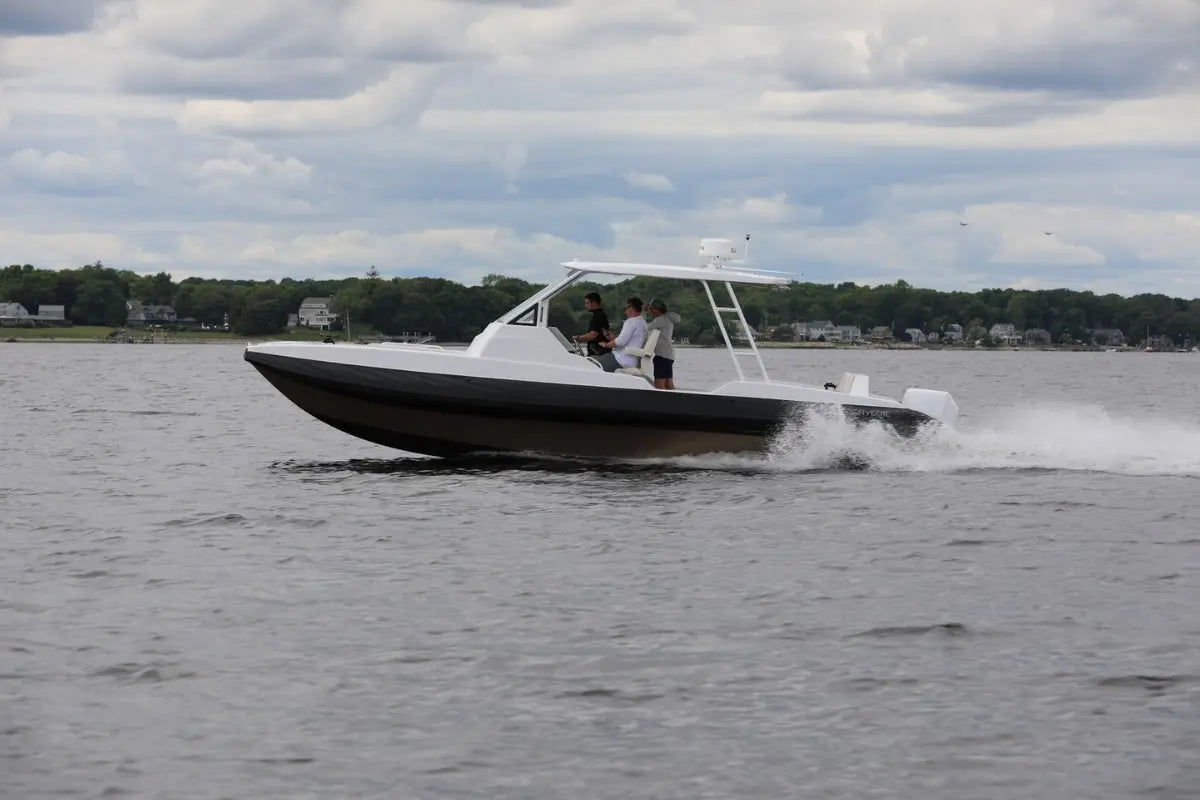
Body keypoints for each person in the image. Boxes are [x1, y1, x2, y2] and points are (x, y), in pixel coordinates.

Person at [595, 296, 647, 372]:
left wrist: (606, 345)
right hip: (632, 361)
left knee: (592, 365)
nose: (625, 312)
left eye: (626, 308)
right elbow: (630, 342)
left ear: (631, 308)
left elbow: (620, 342)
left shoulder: (631, 322)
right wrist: (613, 338)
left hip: (621, 359)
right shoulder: (643, 323)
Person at [645, 297, 679, 389]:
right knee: (668, 383)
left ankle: (662, 402)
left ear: (657, 309)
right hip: (668, 356)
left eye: (651, 309)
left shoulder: (659, 320)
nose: (650, 311)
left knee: (659, 386)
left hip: (662, 357)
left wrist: (643, 313)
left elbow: (645, 329)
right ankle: (676, 402)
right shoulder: (667, 319)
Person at [571, 292, 610, 357]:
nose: (585, 305)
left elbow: (592, 335)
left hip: (598, 354)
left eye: (587, 303)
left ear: (594, 302)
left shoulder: (598, 316)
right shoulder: (601, 315)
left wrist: (578, 338)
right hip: (602, 353)